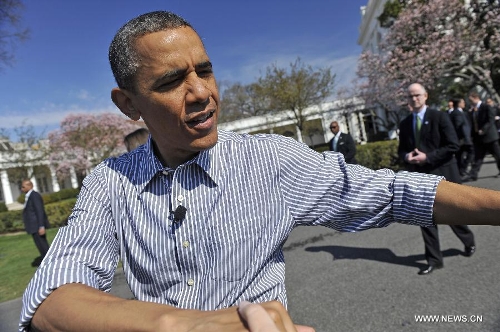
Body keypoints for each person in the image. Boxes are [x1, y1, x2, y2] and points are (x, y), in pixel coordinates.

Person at [20, 11, 500, 332]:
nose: (201, 93)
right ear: (128, 105)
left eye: (204, 71)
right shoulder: (110, 183)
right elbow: (48, 302)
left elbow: (393, 193)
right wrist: (188, 325)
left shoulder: (270, 160)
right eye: (171, 81)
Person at [398, 84, 475, 275]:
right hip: (420, 178)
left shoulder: (440, 117)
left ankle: (468, 240)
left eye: (417, 95)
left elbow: (453, 145)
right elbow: (401, 150)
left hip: (442, 174)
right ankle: (434, 259)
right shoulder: (405, 123)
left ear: (425, 96)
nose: (413, 99)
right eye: (410, 96)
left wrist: (428, 157)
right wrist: (406, 157)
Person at [465, 92, 500, 181]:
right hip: (479, 138)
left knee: (498, 155)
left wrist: (483, 130)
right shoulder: (472, 110)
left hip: (490, 137)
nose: (470, 102)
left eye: (471, 99)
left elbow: (491, 120)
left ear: (476, 98)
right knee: (478, 158)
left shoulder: (486, 107)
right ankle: (473, 175)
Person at [20, 179, 50, 267]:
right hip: (33, 227)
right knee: (39, 245)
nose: (22, 189)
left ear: (30, 186)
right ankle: (46, 261)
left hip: (37, 226)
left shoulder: (34, 196)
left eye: (23, 187)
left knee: (43, 245)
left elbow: (39, 211)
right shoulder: (28, 196)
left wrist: (41, 226)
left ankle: (49, 262)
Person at [448, 98, 473, 176]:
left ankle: (460, 170)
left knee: (460, 155)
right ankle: (462, 168)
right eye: (462, 102)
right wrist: (463, 137)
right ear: (459, 103)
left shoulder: (459, 112)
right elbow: (458, 126)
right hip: (462, 138)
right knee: (471, 152)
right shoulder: (457, 113)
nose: (464, 103)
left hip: (462, 138)